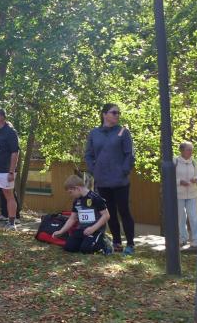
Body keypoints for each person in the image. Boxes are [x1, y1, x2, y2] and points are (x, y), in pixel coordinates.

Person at [85, 103, 136, 255]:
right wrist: (94, 170)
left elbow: (129, 154)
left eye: (118, 113)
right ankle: (117, 243)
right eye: (114, 112)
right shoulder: (94, 133)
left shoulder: (123, 132)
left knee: (124, 211)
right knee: (110, 213)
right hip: (102, 181)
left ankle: (130, 244)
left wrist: (124, 171)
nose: (117, 115)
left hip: (120, 180)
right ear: (104, 114)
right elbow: (88, 155)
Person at [53, 175, 112, 254]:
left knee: (86, 249)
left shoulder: (95, 198)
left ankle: (104, 242)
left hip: (95, 230)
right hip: (81, 230)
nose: (70, 195)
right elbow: (72, 218)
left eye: (71, 192)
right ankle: (86, 242)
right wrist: (61, 231)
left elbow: (106, 215)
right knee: (69, 247)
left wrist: (93, 228)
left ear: (77, 188)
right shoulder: (76, 201)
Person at [175, 141, 197, 248]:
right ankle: (183, 238)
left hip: (192, 194)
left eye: (191, 149)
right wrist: (180, 182)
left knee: (193, 217)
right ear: (182, 150)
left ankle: (196, 240)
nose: (191, 152)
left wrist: (196, 179)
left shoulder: (194, 162)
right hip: (179, 194)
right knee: (181, 217)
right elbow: (170, 177)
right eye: (188, 150)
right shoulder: (175, 161)